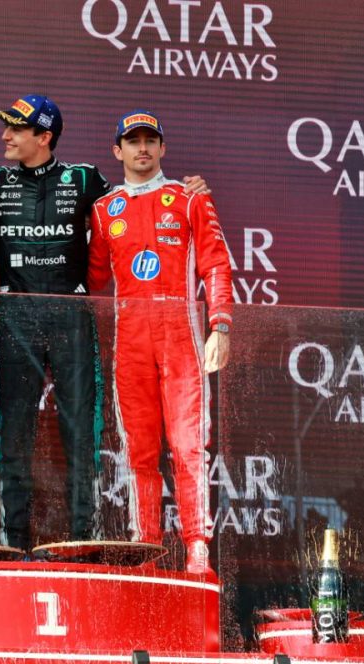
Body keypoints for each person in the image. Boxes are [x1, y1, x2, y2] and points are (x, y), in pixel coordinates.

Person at [87, 110, 233, 575]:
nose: (143, 149)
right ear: (118, 150)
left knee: (189, 446)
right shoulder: (103, 209)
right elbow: (92, 277)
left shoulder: (189, 198)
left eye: (150, 140)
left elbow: (216, 264)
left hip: (180, 333)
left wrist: (221, 325)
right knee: (139, 450)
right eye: (133, 141)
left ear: (163, 148)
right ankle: (145, 550)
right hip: (129, 336)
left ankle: (197, 549)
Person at [0, 94, 111, 551]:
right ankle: (13, 544)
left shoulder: (84, 178)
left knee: (80, 431)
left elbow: (132, 210)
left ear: (44, 136)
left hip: (71, 317)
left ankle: (84, 543)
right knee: (14, 433)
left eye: (16, 129)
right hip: (16, 316)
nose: (5, 136)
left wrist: (182, 188)